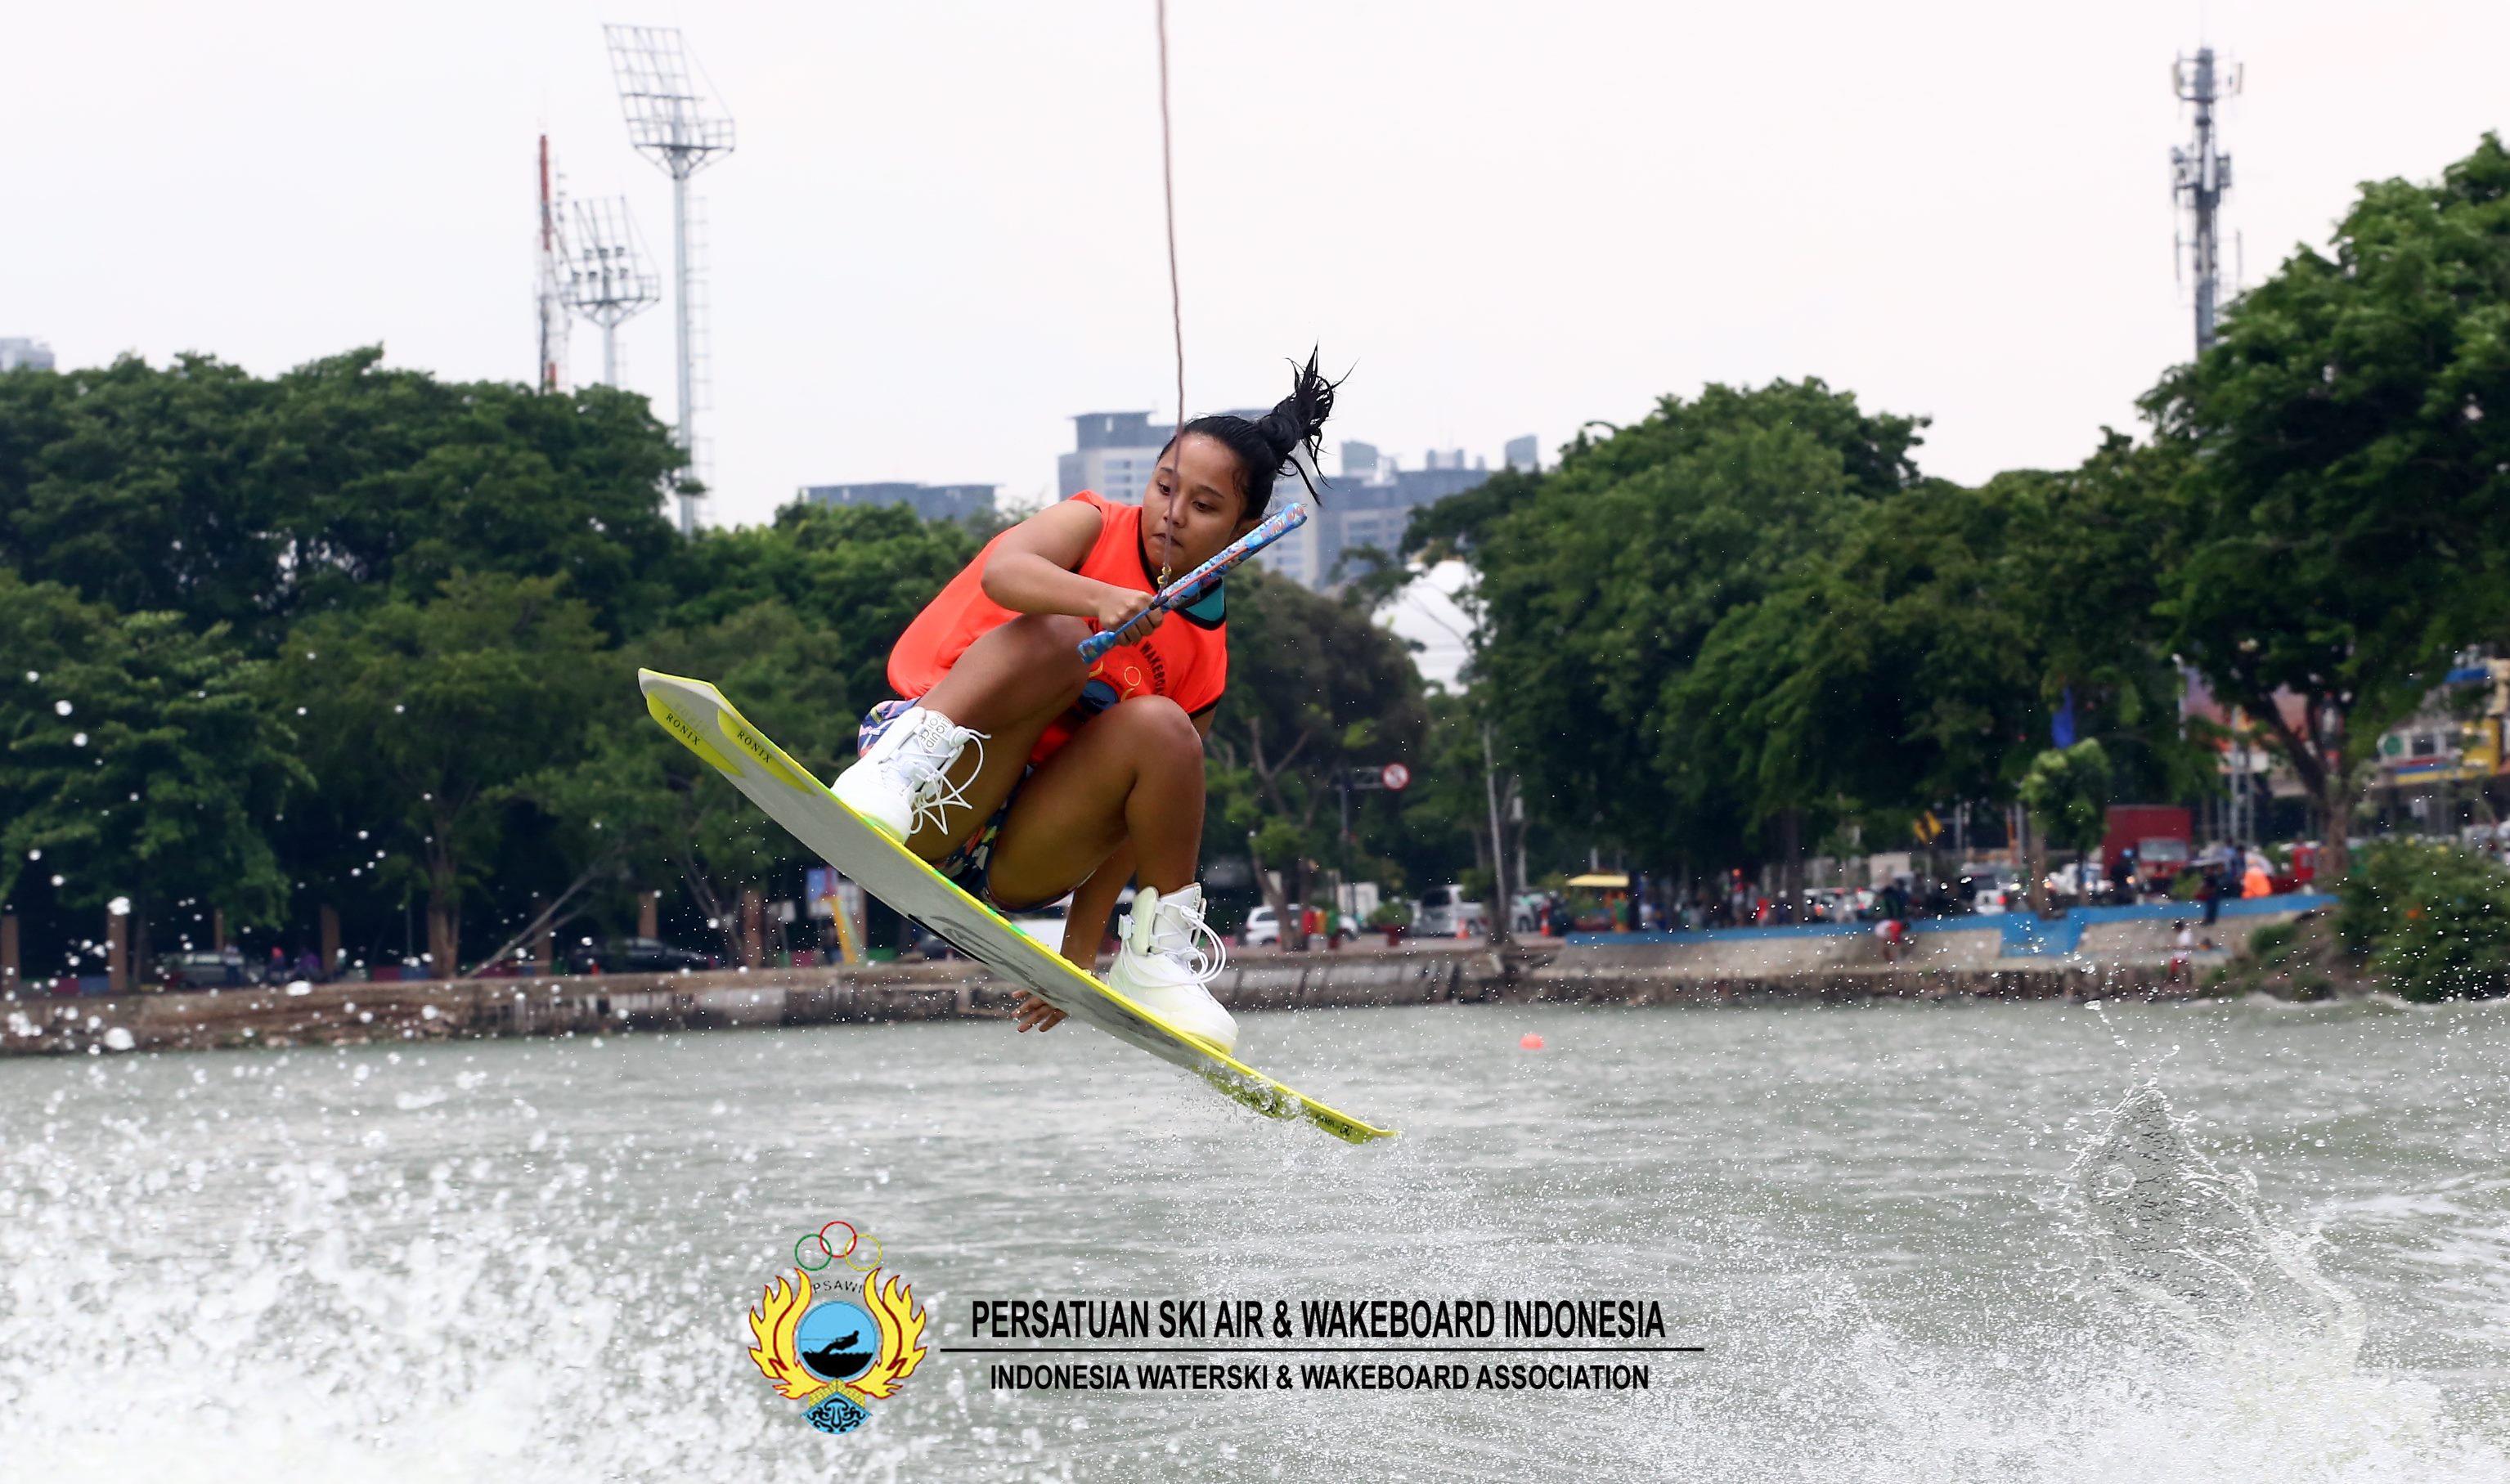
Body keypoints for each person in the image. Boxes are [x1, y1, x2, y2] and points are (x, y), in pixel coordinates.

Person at [832, 355, 1337, 1055]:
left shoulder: (1205, 657)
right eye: (1165, 487)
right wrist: (1098, 597)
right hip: (937, 794)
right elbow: (1005, 572)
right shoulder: (1091, 523)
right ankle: (892, 771)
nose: (1172, 515)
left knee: (1165, 729)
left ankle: (1155, 961)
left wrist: (1074, 958)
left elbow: (1134, 827)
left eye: (1203, 506)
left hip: (1025, 855)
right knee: (1063, 635)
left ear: (1242, 528)